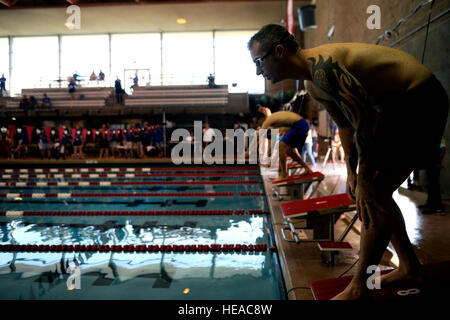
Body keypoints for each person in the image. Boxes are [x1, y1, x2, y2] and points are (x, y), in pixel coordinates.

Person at [248, 24, 448, 300]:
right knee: (374, 193)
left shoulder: (325, 69)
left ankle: (359, 287)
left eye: (259, 61)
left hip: (420, 98)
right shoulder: (312, 84)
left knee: (374, 193)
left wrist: (364, 178)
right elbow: (346, 126)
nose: (258, 70)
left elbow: (364, 122)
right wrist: (352, 173)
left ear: (279, 51)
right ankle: (411, 267)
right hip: (394, 108)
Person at [262, 111, 314, 181]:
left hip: (300, 126)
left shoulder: (273, 122)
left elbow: (264, 138)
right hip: (301, 126)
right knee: (289, 150)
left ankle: (284, 174)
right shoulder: (278, 124)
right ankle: (307, 169)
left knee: (281, 146)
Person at [419, 137, 446, 214]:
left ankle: (437, 207)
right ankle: (430, 203)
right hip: (436, 148)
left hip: (437, 149)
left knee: (433, 180)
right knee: (430, 178)